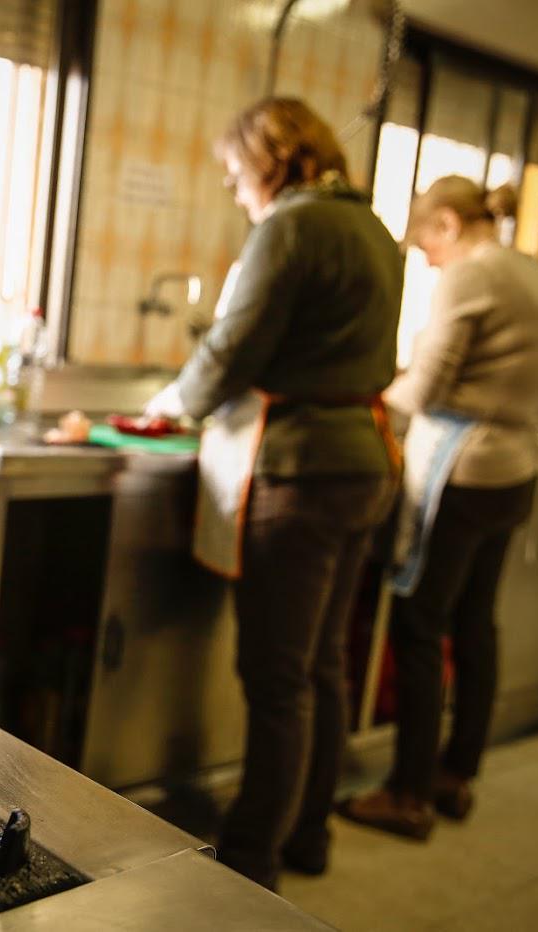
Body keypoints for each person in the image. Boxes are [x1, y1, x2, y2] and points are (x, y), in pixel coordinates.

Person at [145, 97, 402, 890]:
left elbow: (233, 345)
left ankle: (251, 862)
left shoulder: (291, 226)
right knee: (323, 664)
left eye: (233, 170)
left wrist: (168, 404)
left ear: (271, 158)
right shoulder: (375, 231)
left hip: (299, 470)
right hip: (364, 460)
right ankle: (309, 832)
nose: (231, 187)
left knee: (277, 677)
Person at [339, 177, 538, 839]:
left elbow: (428, 382)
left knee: (418, 626)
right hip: (516, 470)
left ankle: (406, 794)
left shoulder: (471, 276)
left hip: (465, 471)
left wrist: (364, 399)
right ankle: (455, 772)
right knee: (475, 621)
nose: (428, 261)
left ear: (445, 223)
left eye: (425, 246)